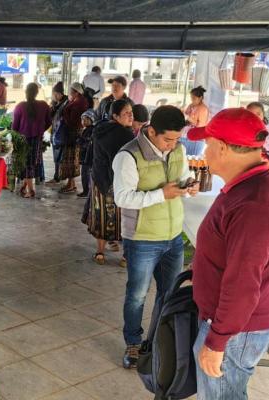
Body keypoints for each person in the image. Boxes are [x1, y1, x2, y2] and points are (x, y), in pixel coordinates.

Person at [186, 108, 269, 399]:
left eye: (207, 144)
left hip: (235, 331)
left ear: (221, 147)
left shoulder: (254, 205)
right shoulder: (246, 188)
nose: (204, 151)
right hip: (230, 324)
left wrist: (218, 340)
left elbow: (243, 283)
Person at [112, 105, 195, 368]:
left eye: (177, 139)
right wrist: (162, 194)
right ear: (150, 131)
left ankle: (158, 338)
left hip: (173, 236)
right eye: (167, 139)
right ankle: (133, 343)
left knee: (168, 293)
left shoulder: (178, 150)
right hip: (142, 238)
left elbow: (183, 175)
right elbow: (122, 198)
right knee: (137, 294)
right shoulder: (129, 156)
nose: (172, 145)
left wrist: (188, 184)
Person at [84, 100, 136, 265]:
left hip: (99, 179)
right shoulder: (126, 135)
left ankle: (100, 252)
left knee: (101, 215)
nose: (130, 116)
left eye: (131, 112)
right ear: (115, 116)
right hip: (118, 182)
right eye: (126, 113)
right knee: (126, 218)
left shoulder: (100, 128)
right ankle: (125, 256)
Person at [11, 82, 52, 198]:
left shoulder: (20, 106)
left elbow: (14, 127)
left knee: (27, 164)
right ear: (37, 92)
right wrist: (39, 130)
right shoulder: (44, 105)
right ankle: (25, 186)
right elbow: (49, 122)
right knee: (32, 163)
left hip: (23, 140)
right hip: (37, 139)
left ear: (26, 92)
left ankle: (31, 190)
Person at [58, 82, 88, 194]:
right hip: (73, 133)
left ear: (76, 92)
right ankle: (71, 183)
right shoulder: (77, 101)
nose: (69, 92)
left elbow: (73, 121)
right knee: (71, 159)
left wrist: (64, 114)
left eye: (71, 90)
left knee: (71, 159)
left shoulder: (79, 103)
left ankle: (71, 184)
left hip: (73, 134)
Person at [49, 82, 69, 183]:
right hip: (56, 133)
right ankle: (57, 176)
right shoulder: (56, 103)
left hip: (61, 134)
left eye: (56, 94)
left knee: (60, 157)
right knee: (56, 156)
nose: (55, 96)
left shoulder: (65, 103)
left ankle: (58, 176)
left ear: (61, 93)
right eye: (54, 94)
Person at [77, 110, 97, 198]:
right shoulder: (87, 130)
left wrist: (79, 141)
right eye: (82, 120)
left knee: (86, 175)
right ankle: (87, 191)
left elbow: (86, 143)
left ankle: (87, 191)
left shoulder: (91, 130)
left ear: (91, 120)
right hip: (86, 157)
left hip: (87, 157)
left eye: (86, 120)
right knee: (85, 174)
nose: (83, 122)